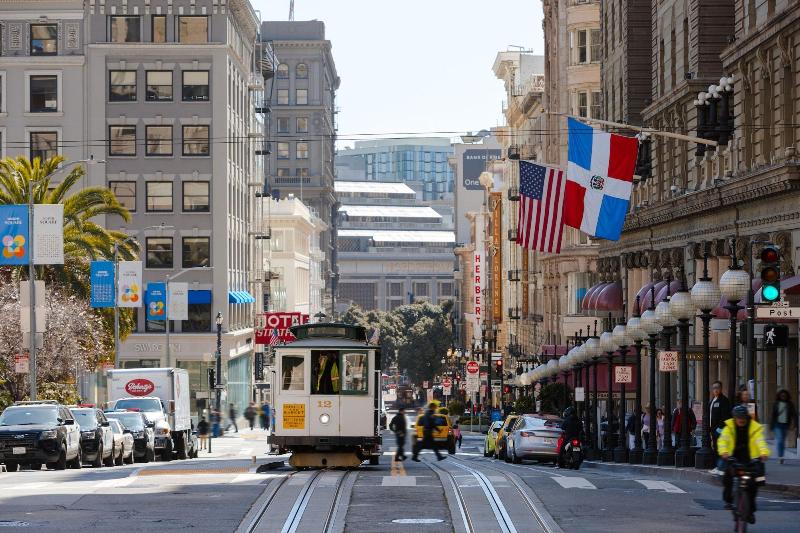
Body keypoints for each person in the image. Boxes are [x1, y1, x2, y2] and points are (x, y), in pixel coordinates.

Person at [718, 404, 769, 524]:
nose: (741, 420)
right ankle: (729, 501)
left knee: (753, 484)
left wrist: (763, 453)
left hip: (750, 459)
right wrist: (724, 452)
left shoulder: (753, 427)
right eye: (738, 417)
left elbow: (760, 441)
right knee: (727, 477)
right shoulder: (729, 428)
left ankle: (750, 511)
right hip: (733, 457)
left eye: (743, 417)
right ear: (734, 418)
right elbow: (723, 440)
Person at [709, 381, 732, 474]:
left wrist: (719, 428)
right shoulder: (712, 400)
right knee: (715, 448)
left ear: (721, 388)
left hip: (720, 430)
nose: (715, 389)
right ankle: (718, 466)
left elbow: (725, 416)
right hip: (713, 429)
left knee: (720, 448)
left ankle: (720, 467)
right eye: (714, 387)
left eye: (717, 387)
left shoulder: (724, 400)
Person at [770, 389, 797, 464]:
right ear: (779, 396)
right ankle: (780, 456)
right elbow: (773, 415)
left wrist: (795, 424)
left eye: (784, 395)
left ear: (787, 396)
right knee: (780, 440)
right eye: (782, 395)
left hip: (785, 424)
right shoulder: (776, 403)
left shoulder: (790, 404)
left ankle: (781, 456)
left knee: (782, 441)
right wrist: (771, 426)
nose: (783, 397)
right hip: (777, 424)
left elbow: (794, 414)